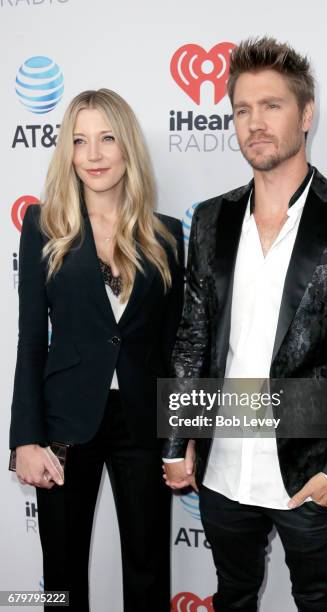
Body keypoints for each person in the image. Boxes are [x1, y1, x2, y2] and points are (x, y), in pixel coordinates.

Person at [163, 37, 327, 611]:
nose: (254, 124)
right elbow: (194, 337)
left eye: (271, 106)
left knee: (317, 598)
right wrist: (175, 441)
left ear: (306, 113)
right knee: (233, 596)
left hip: (309, 467)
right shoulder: (213, 218)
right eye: (242, 109)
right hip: (222, 468)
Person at [10, 88, 184, 611]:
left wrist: (181, 440)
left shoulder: (168, 235)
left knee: (149, 572)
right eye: (80, 140)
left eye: (107, 137)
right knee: (59, 578)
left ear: (127, 146)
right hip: (64, 424)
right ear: (68, 151)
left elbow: (178, 350)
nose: (94, 154)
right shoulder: (43, 225)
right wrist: (26, 437)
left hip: (142, 423)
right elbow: (29, 341)